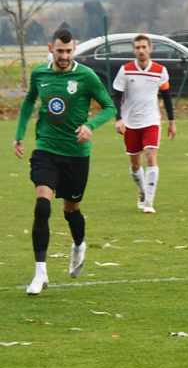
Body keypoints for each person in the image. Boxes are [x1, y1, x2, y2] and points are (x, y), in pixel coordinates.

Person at [13, 28, 116, 295]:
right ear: (51, 48)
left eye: (69, 51)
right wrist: (19, 135)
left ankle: (79, 245)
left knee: (71, 211)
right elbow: (29, 101)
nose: (64, 56)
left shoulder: (85, 75)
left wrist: (90, 126)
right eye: (60, 51)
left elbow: (109, 107)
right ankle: (40, 273)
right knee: (42, 207)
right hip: (46, 149)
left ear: (74, 49)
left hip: (76, 155)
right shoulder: (40, 73)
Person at [113, 34, 177, 214]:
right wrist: (118, 118)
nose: (141, 50)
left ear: (150, 49)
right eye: (137, 47)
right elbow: (116, 95)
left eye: (144, 47)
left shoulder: (160, 70)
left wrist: (171, 121)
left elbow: (166, 96)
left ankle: (149, 201)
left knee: (150, 155)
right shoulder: (125, 70)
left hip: (151, 120)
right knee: (135, 165)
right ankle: (142, 190)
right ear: (133, 50)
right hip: (131, 122)